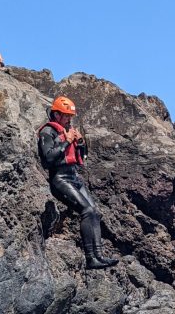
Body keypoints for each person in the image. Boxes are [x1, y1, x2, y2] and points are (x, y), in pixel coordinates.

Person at [38, 96, 119, 269]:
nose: (69, 119)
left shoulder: (68, 130)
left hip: (73, 177)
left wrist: (80, 143)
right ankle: (91, 258)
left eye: (70, 116)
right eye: (66, 116)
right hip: (60, 178)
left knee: (95, 212)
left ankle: (99, 256)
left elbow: (80, 158)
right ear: (57, 114)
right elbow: (48, 159)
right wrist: (65, 141)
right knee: (87, 210)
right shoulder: (48, 132)